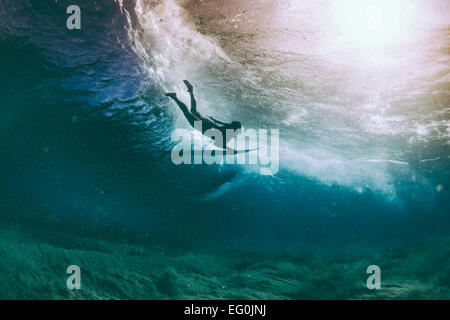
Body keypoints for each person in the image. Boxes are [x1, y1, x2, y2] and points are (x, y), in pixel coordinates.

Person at [166, 80, 242, 149]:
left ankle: (191, 91)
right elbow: (218, 144)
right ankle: (174, 97)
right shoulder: (227, 135)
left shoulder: (228, 127)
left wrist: (214, 120)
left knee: (193, 111)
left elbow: (221, 124)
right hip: (203, 127)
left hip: (208, 123)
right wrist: (230, 150)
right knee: (187, 113)